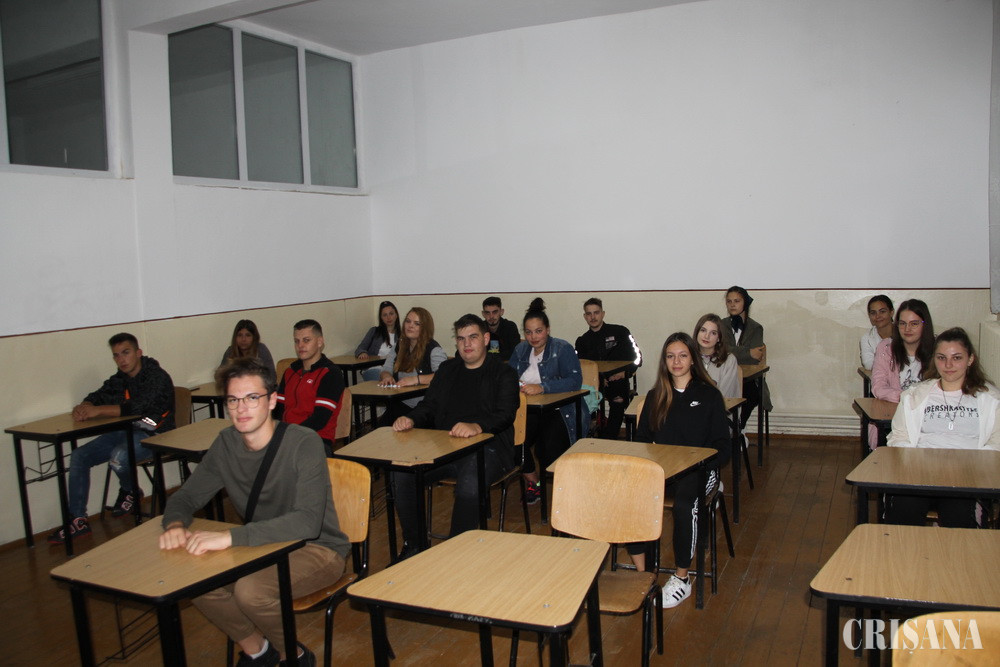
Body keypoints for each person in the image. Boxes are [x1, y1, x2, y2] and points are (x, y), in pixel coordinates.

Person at [160, 358, 349, 667]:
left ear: (272, 400)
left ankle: (294, 656)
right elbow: (187, 496)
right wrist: (175, 524)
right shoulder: (226, 443)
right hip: (263, 546)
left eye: (252, 397)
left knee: (250, 592)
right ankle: (257, 650)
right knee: (196, 579)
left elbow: (307, 522)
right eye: (233, 400)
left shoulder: (303, 442)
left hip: (317, 549)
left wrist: (229, 538)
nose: (241, 408)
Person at [390, 314, 519, 559]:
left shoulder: (504, 372)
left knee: (470, 480)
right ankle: (415, 546)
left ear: (486, 339)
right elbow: (429, 405)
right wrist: (411, 418)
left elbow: (505, 414)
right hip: (445, 447)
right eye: (461, 339)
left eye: (473, 337)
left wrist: (477, 426)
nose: (466, 344)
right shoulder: (447, 370)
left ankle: (455, 555)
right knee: (402, 472)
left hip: (489, 449)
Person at [631, 332, 730, 609]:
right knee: (631, 497)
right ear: (664, 361)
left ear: (693, 359)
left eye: (683, 356)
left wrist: (701, 463)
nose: (676, 362)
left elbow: (723, 446)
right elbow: (642, 441)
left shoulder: (709, 395)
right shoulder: (656, 396)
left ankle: (682, 578)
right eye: (671, 356)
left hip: (700, 471)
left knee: (686, 504)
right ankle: (643, 575)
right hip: (664, 472)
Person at [48, 333, 175, 545]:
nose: (121, 360)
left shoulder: (156, 376)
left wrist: (98, 411)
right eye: (116, 355)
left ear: (138, 353)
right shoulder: (120, 378)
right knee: (79, 456)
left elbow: (137, 407)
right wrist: (85, 406)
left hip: (158, 434)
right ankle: (78, 520)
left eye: (125, 353)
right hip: (126, 432)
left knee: (119, 456)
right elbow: (98, 395)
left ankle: (130, 491)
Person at [884, 328, 1000, 527]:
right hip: (920, 474)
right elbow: (898, 436)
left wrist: (971, 468)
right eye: (941, 358)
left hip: (966, 478)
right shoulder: (914, 395)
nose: (948, 365)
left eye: (957, 358)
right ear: (934, 360)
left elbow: (996, 442)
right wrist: (916, 464)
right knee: (904, 510)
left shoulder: (991, 398)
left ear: (970, 359)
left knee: (958, 515)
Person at [508, 298, 582, 504]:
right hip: (528, 410)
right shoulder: (520, 350)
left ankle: (566, 489)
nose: (533, 337)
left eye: (538, 331)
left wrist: (543, 387)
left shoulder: (562, 348)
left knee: (549, 448)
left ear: (548, 330)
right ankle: (534, 482)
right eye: (528, 332)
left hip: (559, 410)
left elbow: (575, 381)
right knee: (512, 439)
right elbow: (508, 377)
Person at [274, 320, 345, 455]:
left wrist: (288, 435)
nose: (300, 345)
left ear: (319, 342)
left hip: (316, 439)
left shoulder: (330, 373)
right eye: (297, 341)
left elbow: (320, 419)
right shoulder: (290, 371)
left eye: (306, 340)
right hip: (287, 436)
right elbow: (278, 409)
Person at [574, 297, 642, 439]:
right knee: (579, 396)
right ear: (585, 316)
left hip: (619, 380)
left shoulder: (620, 332)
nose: (593, 317)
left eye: (596, 312)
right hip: (595, 384)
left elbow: (637, 357)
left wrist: (625, 372)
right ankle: (587, 436)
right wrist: (598, 379)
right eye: (589, 314)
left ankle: (609, 438)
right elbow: (580, 367)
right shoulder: (582, 341)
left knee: (618, 397)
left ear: (603, 314)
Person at [377, 307, 447, 424]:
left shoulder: (434, 349)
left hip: (425, 408)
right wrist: (386, 376)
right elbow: (386, 368)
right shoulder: (399, 345)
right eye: (408, 321)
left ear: (425, 328)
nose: (410, 326)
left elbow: (443, 377)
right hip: (401, 402)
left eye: (417, 323)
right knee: (382, 428)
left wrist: (415, 380)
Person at [720, 286, 772, 429]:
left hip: (749, 379)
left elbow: (755, 358)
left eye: (737, 301)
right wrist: (747, 352)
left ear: (746, 303)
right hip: (724, 374)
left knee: (751, 394)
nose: (732, 305)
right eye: (729, 301)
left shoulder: (756, 328)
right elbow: (720, 351)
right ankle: (726, 429)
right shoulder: (721, 325)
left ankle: (737, 429)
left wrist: (732, 351)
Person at [694, 313, 741, 399]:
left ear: (719, 338)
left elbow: (725, 396)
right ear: (697, 332)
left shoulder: (728, 360)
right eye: (703, 330)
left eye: (713, 333)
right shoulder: (688, 357)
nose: (706, 336)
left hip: (720, 405)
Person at [355, 301, 401, 381]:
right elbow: (360, 348)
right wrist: (362, 353)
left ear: (396, 315)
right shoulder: (374, 331)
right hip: (374, 368)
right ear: (381, 318)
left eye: (391, 314)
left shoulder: (402, 335)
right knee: (386, 379)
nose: (388, 317)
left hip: (393, 369)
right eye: (385, 315)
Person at [859, 295, 894, 370]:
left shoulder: (904, 333)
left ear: (891, 312)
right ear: (869, 316)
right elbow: (868, 364)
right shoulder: (867, 338)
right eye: (873, 313)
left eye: (882, 311)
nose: (878, 316)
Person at [481, 296, 521, 362]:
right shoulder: (479, 328)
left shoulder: (510, 327)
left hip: (505, 365)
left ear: (501, 312)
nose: (491, 316)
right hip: (484, 366)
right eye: (487, 313)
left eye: (495, 312)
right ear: (483, 314)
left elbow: (515, 352)